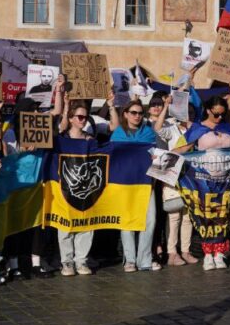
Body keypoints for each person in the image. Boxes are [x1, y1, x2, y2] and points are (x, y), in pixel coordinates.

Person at [109, 98, 162, 273]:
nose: (137, 116)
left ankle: (145, 259)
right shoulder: (118, 133)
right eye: (133, 112)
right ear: (125, 114)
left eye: (140, 113)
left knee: (150, 220)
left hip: (146, 183)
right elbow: (112, 158)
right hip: (124, 184)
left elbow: (156, 156)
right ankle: (130, 259)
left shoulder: (149, 133)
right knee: (127, 221)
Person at [57, 101, 97, 276]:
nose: (83, 120)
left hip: (86, 188)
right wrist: (64, 104)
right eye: (80, 117)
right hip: (64, 188)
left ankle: (81, 261)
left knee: (86, 224)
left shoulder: (90, 139)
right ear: (71, 119)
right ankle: (66, 262)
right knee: (65, 225)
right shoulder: (62, 139)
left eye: (85, 117)